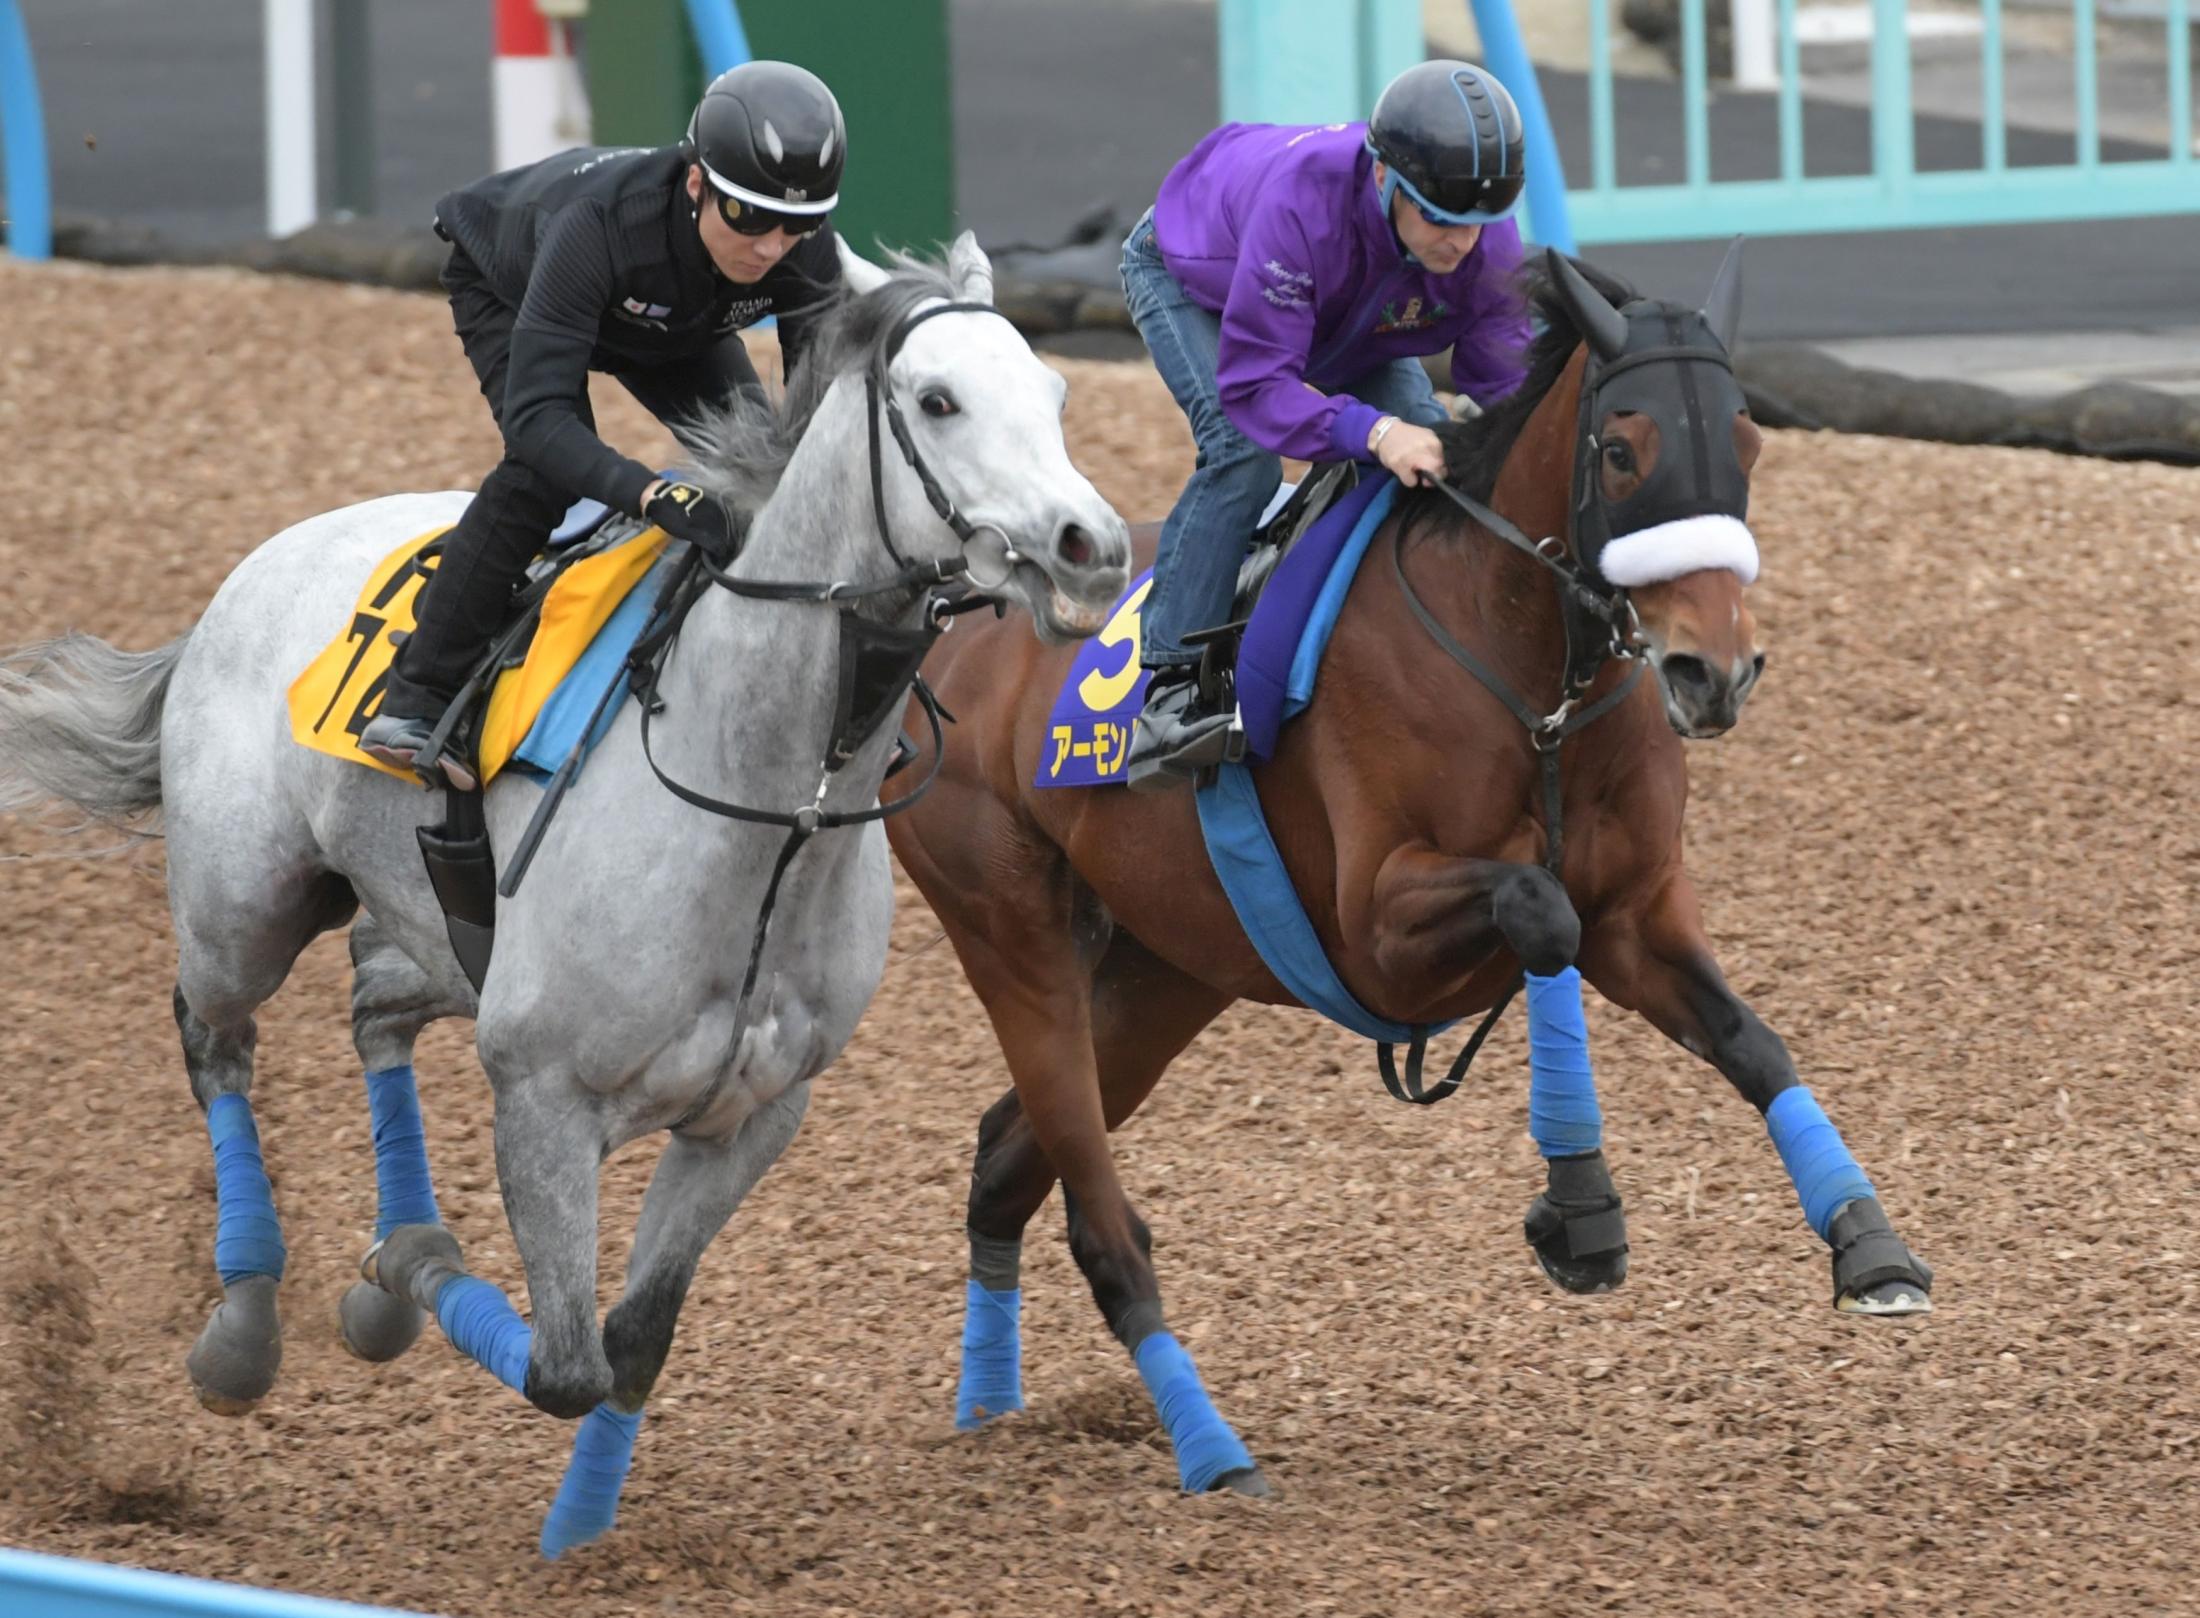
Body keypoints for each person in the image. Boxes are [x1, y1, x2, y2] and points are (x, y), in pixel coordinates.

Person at [360, 59, 847, 787]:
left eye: (798, 224)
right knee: (540, 475)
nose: (772, 246)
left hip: (674, 317)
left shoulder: (802, 253)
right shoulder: (599, 228)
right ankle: (418, 696)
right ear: (696, 183)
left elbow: (820, 428)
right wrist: (650, 493)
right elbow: (537, 421)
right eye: (749, 217)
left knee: (764, 473)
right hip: (511, 278)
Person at [1117, 59, 1535, 790]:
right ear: (1383, 179)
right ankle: (1172, 691)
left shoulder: (1484, 242)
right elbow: (1258, 386)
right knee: (1243, 455)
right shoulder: (1301, 207)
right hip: (1199, 278)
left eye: (1476, 224)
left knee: (1426, 446)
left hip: (1342, 302)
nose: (1458, 245)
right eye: (1438, 217)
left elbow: (1506, 393)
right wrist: (1371, 433)